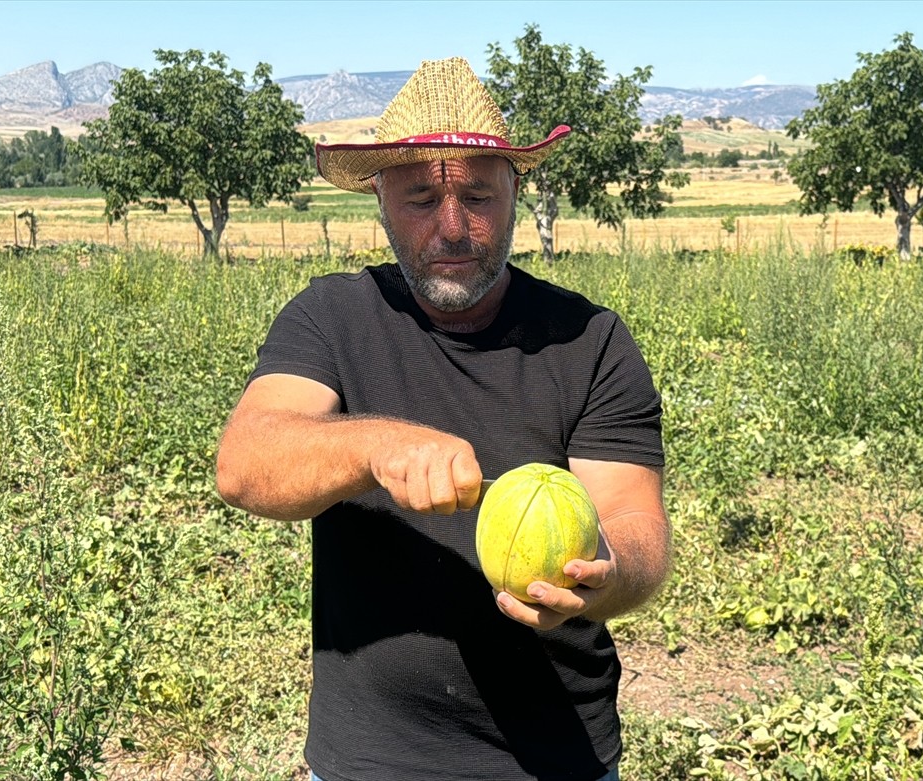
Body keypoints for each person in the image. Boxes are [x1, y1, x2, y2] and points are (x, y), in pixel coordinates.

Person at [215, 57, 671, 781]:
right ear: (380, 197)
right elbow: (245, 462)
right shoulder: (331, 317)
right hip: (368, 761)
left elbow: (638, 525)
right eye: (422, 197)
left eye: (479, 196)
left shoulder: (588, 339)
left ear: (518, 191)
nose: (452, 227)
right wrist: (379, 445)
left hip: (558, 760)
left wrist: (605, 572)